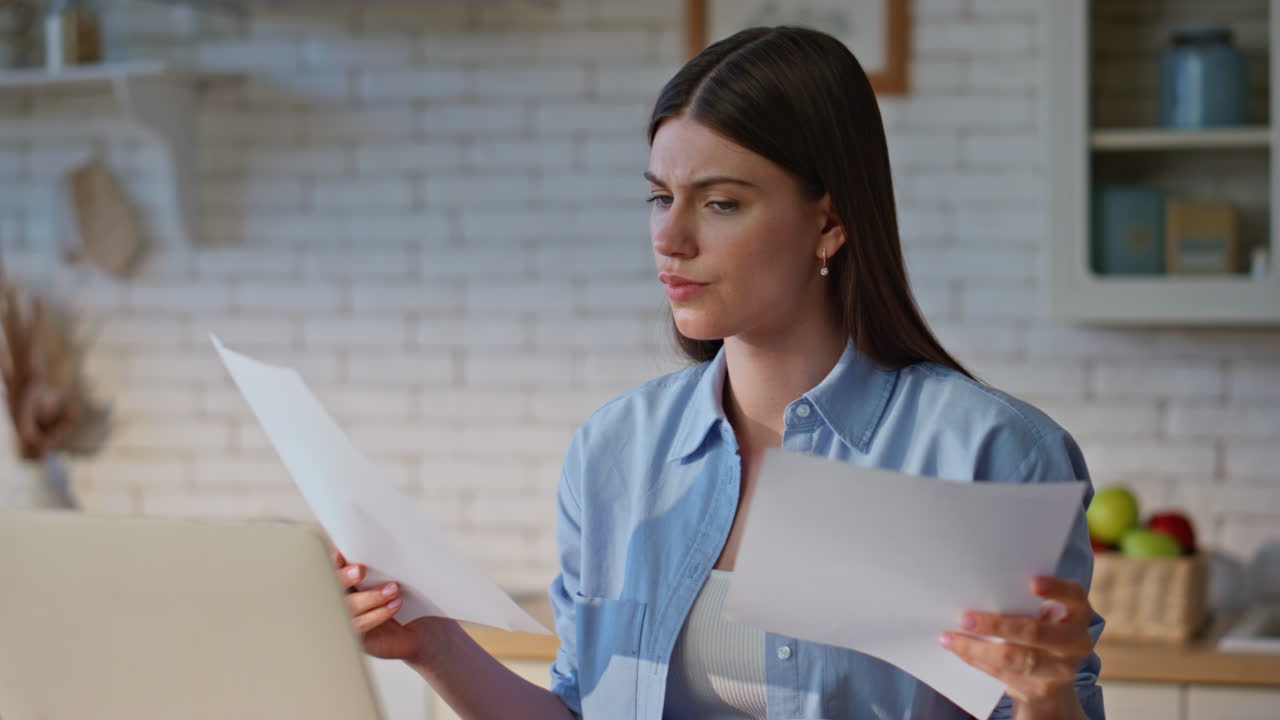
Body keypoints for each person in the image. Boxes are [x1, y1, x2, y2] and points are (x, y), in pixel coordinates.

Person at [332, 26, 1105, 720]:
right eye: (660, 197)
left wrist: (1044, 699)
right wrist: (434, 644)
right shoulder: (615, 451)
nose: (669, 238)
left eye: (722, 203)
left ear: (829, 222)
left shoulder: (994, 453)